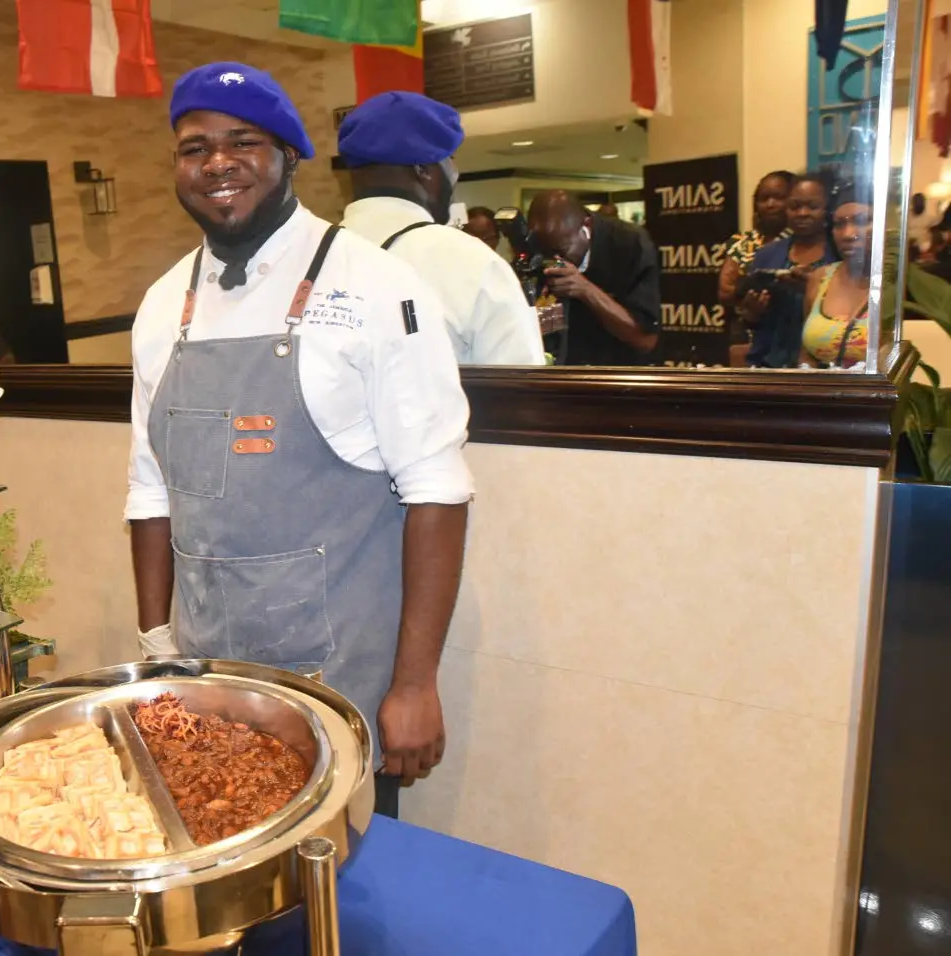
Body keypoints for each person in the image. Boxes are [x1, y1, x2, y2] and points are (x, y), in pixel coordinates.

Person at [126, 62, 472, 820]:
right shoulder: (160, 307)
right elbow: (150, 492)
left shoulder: (378, 286)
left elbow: (437, 490)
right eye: (194, 147)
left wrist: (414, 684)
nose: (217, 162)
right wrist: (157, 643)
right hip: (207, 678)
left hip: (337, 680)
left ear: (289, 154)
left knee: (341, 898)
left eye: (243, 141)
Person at [337, 92, 543, 365]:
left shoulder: (309, 255)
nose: (454, 174)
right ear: (425, 170)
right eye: (450, 161)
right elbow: (523, 391)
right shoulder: (471, 262)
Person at [528, 189, 660, 365]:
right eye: (546, 253)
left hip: (618, 372)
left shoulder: (630, 244)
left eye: (562, 250)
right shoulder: (537, 246)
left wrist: (585, 289)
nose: (555, 261)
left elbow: (645, 339)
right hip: (561, 372)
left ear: (586, 225)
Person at [742, 176, 838, 368]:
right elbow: (752, 321)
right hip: (768, 365)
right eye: (794, 207)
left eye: (812, 207)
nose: (802, 213)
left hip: (823, 369)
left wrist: (812, 291)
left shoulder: (839, 256)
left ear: (827, 210)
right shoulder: (766, 255)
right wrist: (753, 310)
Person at [801, 181, 872, 369]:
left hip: (880, 396)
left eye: (861, 221)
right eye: (839, 224)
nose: (848, 234)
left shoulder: (899, 285)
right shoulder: (820, 277)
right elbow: (806, 352)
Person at [718, 170, 794, 311]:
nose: (770, 204)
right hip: (744, 329)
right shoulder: (743, 242)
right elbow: (725, 292)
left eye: (779, 198)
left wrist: (744, 283)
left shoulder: (801, 241)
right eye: (764, 199)